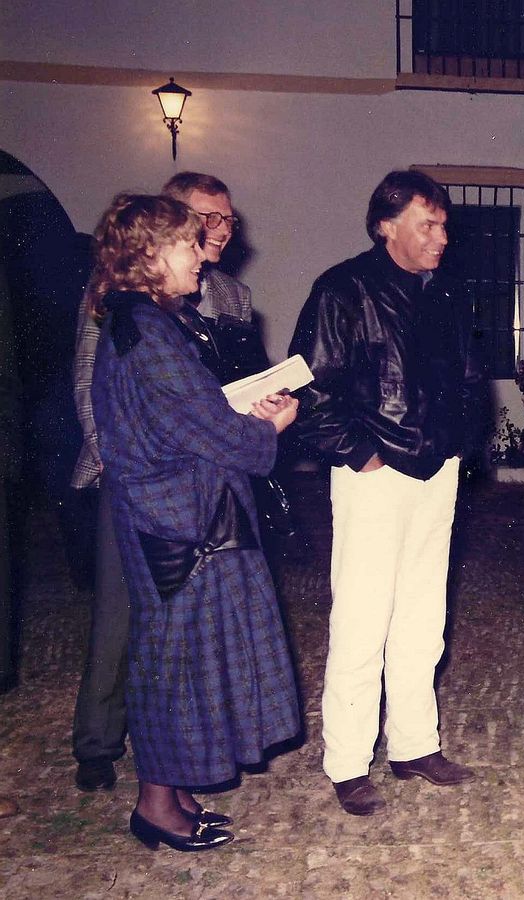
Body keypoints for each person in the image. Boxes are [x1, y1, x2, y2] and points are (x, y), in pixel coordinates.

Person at [88, 193, 300, 850]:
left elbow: (188, 416)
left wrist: (238, 414)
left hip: (176, 517)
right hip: (179, 523)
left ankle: (173, 790)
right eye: (187, 244)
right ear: (151, 255)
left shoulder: (145, 322)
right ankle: (156, 806)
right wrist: (268, 427)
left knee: (180, 658)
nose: (199, 258)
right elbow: (210, 431)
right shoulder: (149, 335)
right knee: (172, 663)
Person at [288, 170, 483, 816]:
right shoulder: (341, 290)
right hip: (374, 474)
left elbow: (469, 378)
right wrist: (360, 455)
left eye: (443, 225)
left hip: (436, 471)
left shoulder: (448, 292)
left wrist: (459, 445)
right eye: (427, 225)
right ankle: (347, 762)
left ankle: (414, 744)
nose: (441, 237)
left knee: (424, 617)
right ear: (385, 227)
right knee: (362, 618)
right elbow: (311, 389)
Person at [68, 172, 262, 794]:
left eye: (227, 219)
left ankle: (180, 766)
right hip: (139, 475)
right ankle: (99, 744)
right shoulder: (119, 300)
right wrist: (117, 460)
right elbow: (92, 383)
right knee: (122, 619)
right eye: (206, 220)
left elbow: (226, 379)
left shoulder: (231, 294)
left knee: (182, 632)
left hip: (204, 471)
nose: (219, 231)